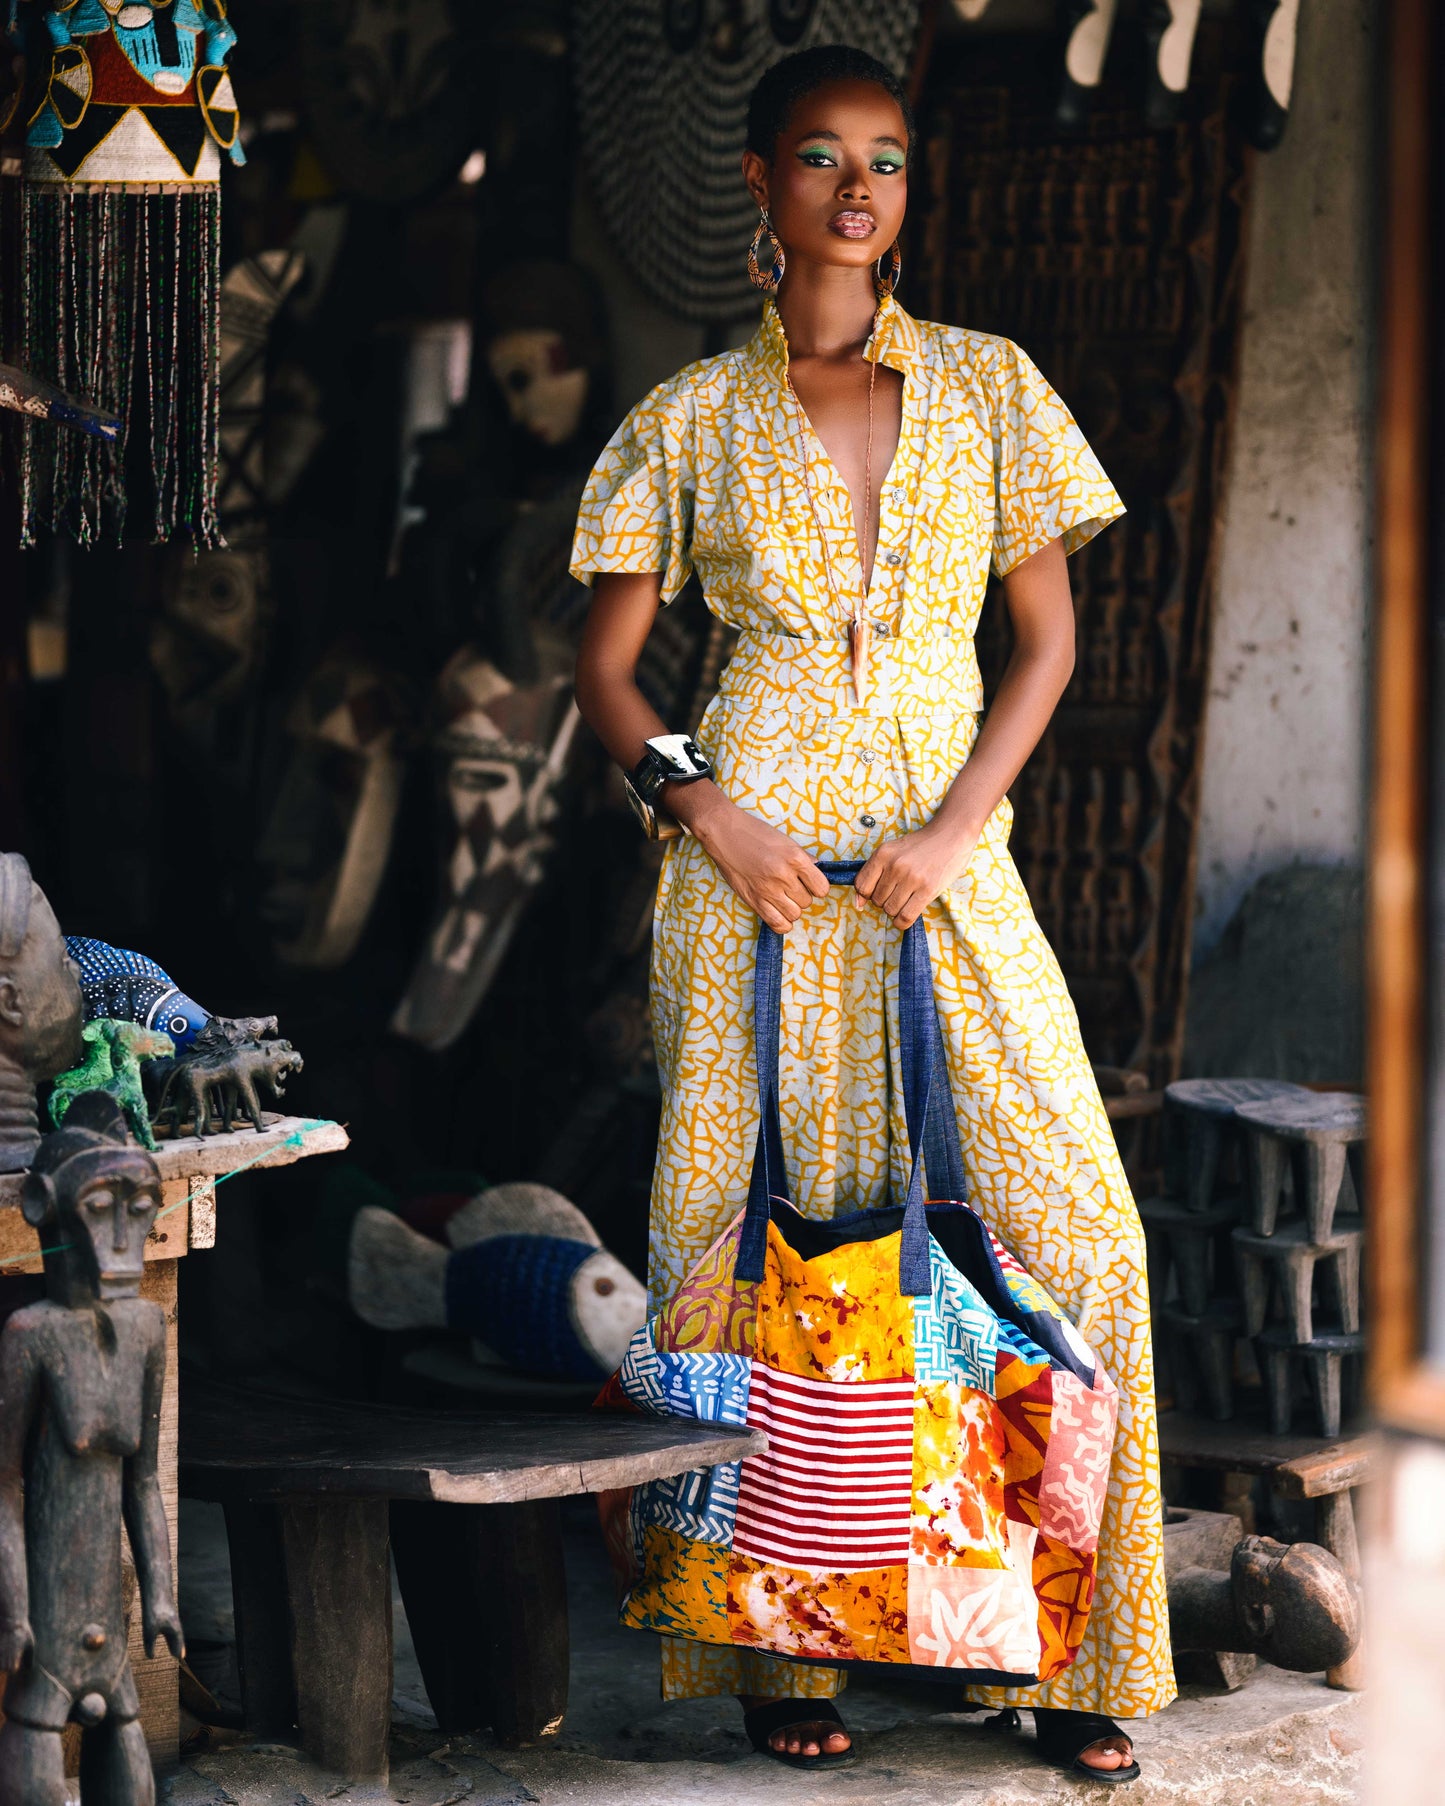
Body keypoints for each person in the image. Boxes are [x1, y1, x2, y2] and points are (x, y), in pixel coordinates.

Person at [571, 43, 1170, 1781]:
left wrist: (956, 829)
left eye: (887, 159)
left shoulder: (990, 386)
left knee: (1073, 1230)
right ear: (756, 183)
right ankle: (783, 1660)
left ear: (909, 189)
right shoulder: (684, 416)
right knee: (777, 1247)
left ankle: (1073, 1658)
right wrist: (702, 805)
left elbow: (1047, 645)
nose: (856, 187)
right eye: (821, 157)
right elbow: (609, 675)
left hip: (941, 863)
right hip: (744, 875)